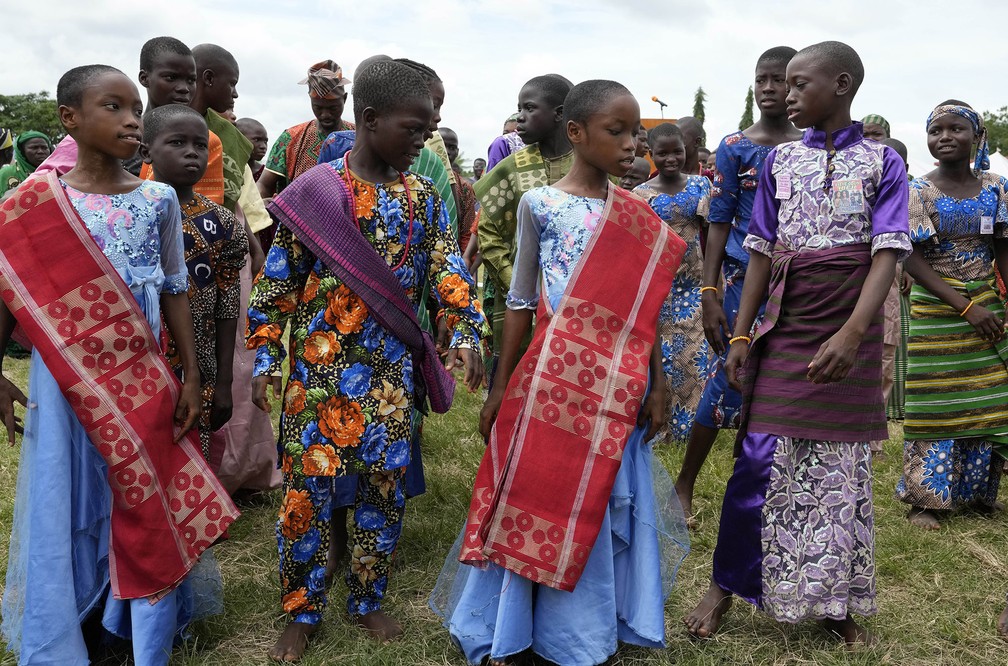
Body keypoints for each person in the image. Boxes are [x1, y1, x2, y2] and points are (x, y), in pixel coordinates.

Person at [431, 79, 689, 666]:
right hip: (550, 382)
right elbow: (521, 300)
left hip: (618, 384)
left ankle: (584, 632)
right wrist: (501, 386)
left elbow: (641, 316)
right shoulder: (539, 204)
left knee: (601, 494)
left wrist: (658, 386)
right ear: (576, 133)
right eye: (616, 131)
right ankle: (517, 625)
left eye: (635, 133)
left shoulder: (640, 215)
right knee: (538, 494)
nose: (631, 145)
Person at [246, 59, 486, 659]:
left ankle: (367, 599)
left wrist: (464, 333)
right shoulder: (316, 193)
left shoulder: (426, 197)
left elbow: (449, 273)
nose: (423, 140)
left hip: (390, 378)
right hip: (318, 379)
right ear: (370, 120)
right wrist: (264, 358)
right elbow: (278, 282)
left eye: (431, 129)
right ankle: (301, 610)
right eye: (413, 128)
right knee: (307, 497)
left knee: (382, 493)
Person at [0, 64, 238, 665]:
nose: (132, 118)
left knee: (141, 494)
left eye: (135, 107)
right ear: (70, 119)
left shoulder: (157, 200)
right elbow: (9, 290)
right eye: (113, 107)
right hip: (66, 384)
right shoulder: (29, 205)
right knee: (72, 491)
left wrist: (194, 374)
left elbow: (176, 288)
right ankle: (76, 613)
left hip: (142, 375)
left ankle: (130, 620)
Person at [684, 40, 910, 647]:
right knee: (757, 458)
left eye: (799, 84)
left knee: (841, 471)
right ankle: (724, 584)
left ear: (841, 84)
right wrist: (740, 330)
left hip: (850, 319)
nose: (786, 96)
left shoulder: (882, 161)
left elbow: (887, 251)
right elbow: (759, 251)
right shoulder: (781, 161)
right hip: (785, 322)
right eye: (782, 85)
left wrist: (855, 332)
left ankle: (834, 602)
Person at [674, 46, 802, 522]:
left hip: (796, 283)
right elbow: (721, 221)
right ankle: (684, 482)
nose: (769, 88)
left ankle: (762, 482)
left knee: (781, 382)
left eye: (780, 80)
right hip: (738, 278)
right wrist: (709, 293)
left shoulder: (811, 146)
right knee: (729, 376)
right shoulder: (734, 146)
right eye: (761, 79)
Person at [896, 101, 1008, 530]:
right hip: (939, 308)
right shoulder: (917, 189)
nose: (944, 136)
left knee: (991, 398)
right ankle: (926, 501)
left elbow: (1003, 248)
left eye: (955, 128)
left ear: (976, 136)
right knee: (935, 402)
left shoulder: (996, 187)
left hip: (987, 306)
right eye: (935, 130)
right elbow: (911, 258)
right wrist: (966, 307)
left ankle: (978, 493)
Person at [142, 103, 247, 461]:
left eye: (200, 145)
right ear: (146, 151)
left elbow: (227, 306)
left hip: (198, 364)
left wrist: (224, 383)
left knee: (190, 453)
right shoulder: (126, 213)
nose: (191, 152)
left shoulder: (222, 223)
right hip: (139, 359)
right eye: (177, 143)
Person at [476, 74, 574, 385]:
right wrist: (517, 284)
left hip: (573, 303)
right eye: (519, 108)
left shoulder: (587, 166)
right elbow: (488, 234)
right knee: (509, 384)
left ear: (559, 113)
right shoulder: (511, 167)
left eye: (529, 108)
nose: (520, 116)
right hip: (516, 302)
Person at [634, 123, 711, 442]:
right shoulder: (641, 195)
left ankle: (688, 429)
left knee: (694, 357)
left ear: (686, 150)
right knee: (662, 359)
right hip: (658, 286)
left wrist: (713, 283)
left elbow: (709, 234)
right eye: (662, 153)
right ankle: (659, 426)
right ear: (651, 154)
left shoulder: (700, 187)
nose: (670, 159)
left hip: (694, 285)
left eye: (676, 151)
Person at [257, 59, 354, 244]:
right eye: (318, 107)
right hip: (296, 237)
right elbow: (264, 185)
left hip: (345, 237)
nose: (325, 115)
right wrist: (262, 203)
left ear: (345, 99)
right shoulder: (291, 138)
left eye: (333, 108)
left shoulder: (358, 138)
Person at [860, 114, 903, 447]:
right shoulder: (850, 177)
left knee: (885, 353)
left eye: (877, 135)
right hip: (853, 274)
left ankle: (874, 434)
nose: (871, 140)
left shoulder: (899, 181)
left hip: (888, 277)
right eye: (866, 135)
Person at [0, 130, 52, 196]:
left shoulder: (55, 172)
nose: (40, 151)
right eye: (34, 148)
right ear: (22, 152)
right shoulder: (5, 174)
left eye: (44, 148)